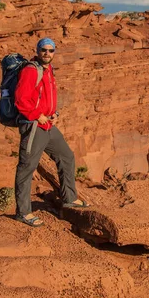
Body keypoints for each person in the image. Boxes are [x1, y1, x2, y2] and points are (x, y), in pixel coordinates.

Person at [14, 37, 89, 227]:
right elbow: (21, 100)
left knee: (66, 156)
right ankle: (23, 213)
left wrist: (54, 114)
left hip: (48, 125)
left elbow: (46, 98)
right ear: (38, 51)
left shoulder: (48, 70)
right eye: (44, 50)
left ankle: (69, 198)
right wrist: (36, 115)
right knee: (26, 168)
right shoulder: (31, 70)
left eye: (51, 50)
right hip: (34, 126)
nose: (47, 53)